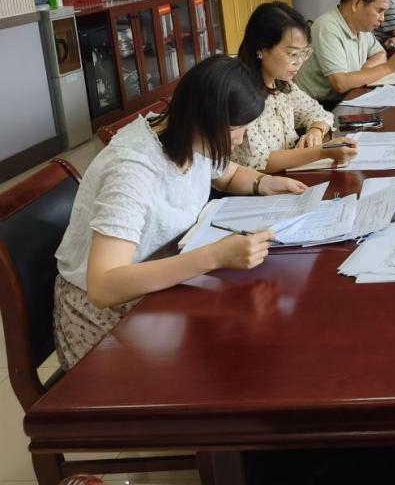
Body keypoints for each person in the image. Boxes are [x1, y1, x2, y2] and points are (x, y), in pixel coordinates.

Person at [53, 55, 308, 369]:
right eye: (235, 129)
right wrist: (214, 257)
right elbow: (104, 286)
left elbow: (225, 174)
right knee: (219, 364)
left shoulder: (187, 136)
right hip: (109, 317)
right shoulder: (132, 171)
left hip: (165, 288)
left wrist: (262, 183)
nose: (240, 139)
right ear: (203, 120)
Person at [233, 1, 358, 173]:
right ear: (260, 49)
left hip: (288, 176)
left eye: (303, 53)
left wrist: (315, 131)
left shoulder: (282, 85)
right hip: (257, 185)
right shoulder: (239, 93)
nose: (299, 62)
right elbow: (259, 162)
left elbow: (317, 111)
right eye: (292, 54)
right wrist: (321, 151)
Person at [295, 0, 395, 104]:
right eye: (379, 11)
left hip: (347, 96)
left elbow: (380, 53)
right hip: (317, 105)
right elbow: (340, 83)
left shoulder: (362, 27)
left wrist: (367, 70)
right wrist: (388, 68)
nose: (382, 18)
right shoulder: (327, 27)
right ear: (357, 4)